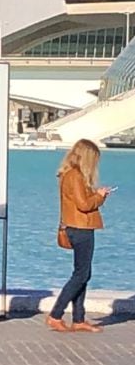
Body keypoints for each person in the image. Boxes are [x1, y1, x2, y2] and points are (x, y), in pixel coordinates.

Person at [47, 139, 112, 333]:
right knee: (81, 274)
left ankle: (78, 318)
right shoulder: (75, 176)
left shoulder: (68, 175)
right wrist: (99, 196)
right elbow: (84, 205)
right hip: (80, 228)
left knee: (83, 273)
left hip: (75, 226)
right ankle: (56, 314)